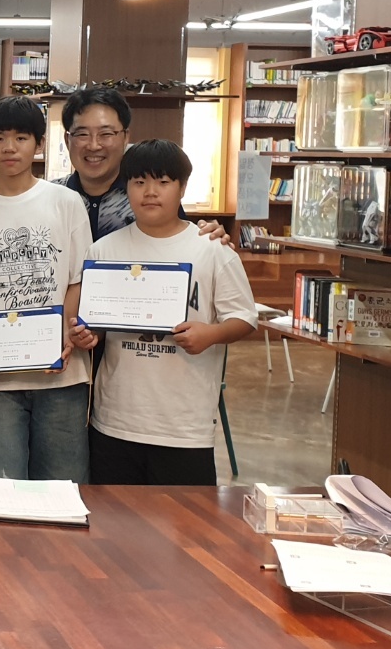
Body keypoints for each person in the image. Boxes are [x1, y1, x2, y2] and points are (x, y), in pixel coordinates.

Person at [69, 140, 257, 485]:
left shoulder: (212, 250)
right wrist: (86, 335)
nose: (150, 192)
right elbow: (96, 324)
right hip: (115, 421)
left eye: (163, 182)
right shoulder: (103, 251)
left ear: (182, 188)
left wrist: (211, 334)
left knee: (183, 518)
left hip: (184, 426)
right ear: (126, 187)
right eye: (139, 182)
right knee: (113, 515)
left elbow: (245, 318)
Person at [0, 96, 92, 482]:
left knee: (62, 482)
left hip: (61, 372)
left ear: (39, 144)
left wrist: (65, 336)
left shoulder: (66, 202)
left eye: (21, 138)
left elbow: (77, 279)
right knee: (3, 482)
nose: (9, 147)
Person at [57, 86, 230, 244]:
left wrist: (211, 240)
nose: (94, 146)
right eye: (82, 134)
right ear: (67, 139)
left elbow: (181, 244)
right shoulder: (51, 197)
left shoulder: (148, 195)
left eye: (106, 133)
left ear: (125, 137)